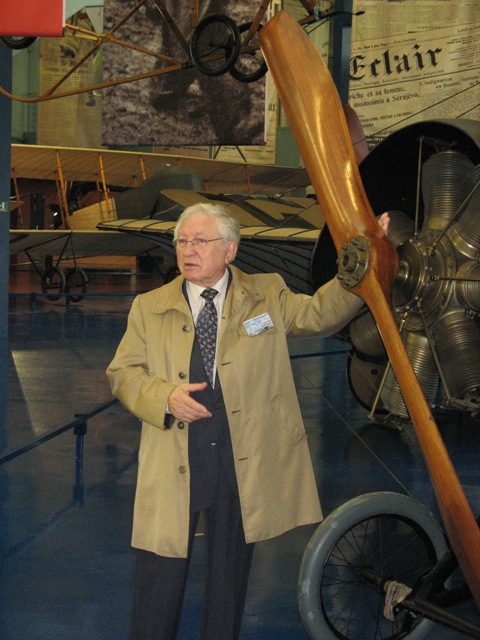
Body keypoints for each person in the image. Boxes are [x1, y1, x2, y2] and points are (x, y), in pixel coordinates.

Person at [107, 202, 389, 640]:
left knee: (229, 579)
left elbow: (319, 313)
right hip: (174, 461)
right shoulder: (149, 307)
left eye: (201, 240)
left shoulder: (267, 294)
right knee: (157, 582)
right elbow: (122, 374)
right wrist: (164, 397)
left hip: (241, 463)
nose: (188, 249)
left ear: (230, 250)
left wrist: (364, 263)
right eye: (182, 241)